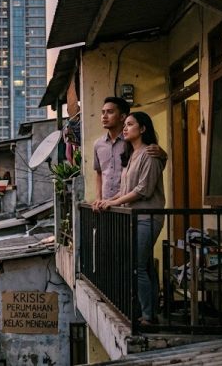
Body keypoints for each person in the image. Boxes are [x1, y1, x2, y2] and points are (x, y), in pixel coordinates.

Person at [95, 112, 165, 325]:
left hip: (147, 217)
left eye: (130, 124)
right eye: (125, 125)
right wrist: (105, 200)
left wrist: (114, 203)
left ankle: (147, 316)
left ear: (143, 129)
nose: (125, 128)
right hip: (135, 217)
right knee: (144, 266)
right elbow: (126, 189)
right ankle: (151, 311)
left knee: (138, 266)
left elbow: (143, 190)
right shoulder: (132, 154)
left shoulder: (150, 154)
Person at [92, 97, 165, 208]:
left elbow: (145, 184)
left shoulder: (134, 145)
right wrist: (100, 200)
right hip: (111, 205)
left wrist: (164, 155)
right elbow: (99, 173)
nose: (104, 116)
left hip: (134, 208)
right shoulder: (98, 144)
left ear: (122, 116)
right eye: (103, 113)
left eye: (110, 112)